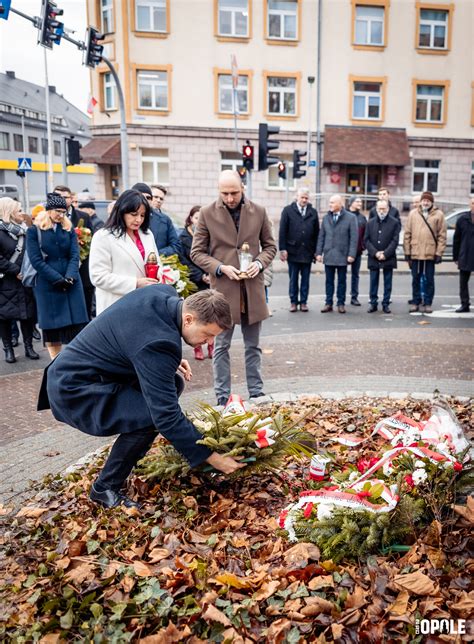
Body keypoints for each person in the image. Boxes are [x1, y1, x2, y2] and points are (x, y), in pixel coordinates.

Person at [38, 287, 244, 508]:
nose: (209, 341)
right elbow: (166, 416)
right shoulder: (159, 344)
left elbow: (134, 335)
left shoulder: (163, 294)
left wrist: (163, 363)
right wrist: (211, 456)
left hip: (87, 372)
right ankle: (104, 487)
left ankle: (132, 451)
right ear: (188, 319)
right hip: (76, 389)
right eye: (208, 334)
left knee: (173, 384)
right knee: (151, 417)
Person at [191, 170, 277, 406]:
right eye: (225, 193)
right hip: (223, 291)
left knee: (253, 346)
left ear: (243, 188)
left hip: (252, 289)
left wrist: (259, 263)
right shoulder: (207, 213)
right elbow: (196, 252)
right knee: (221, 346)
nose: (230, 198)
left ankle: (257, 392)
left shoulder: (258, 211)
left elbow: (270, 246)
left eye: (234, 193)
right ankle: (222, 396)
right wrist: (220, 268)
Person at [26, 193, 89, 359]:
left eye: (64, 211)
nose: (61, 215)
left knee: (77, 328)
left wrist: (70, 277)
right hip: (48, 284)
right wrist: (57, 279)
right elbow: (36, 260)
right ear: (48, 210)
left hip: (72, 283)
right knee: (53, 331)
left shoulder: (68, 229)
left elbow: (74, 255)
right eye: (58, 211)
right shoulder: (34, 231)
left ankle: (76, 364)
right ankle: (56, 363)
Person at [89, 189, 159, 316]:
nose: (138, 219)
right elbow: (98, 276)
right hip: (115, 306)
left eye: (142, 215)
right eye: (134, 214)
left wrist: (160, 277)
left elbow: (156, 263)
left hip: (145, 304)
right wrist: (135, 283)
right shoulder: (103, 236)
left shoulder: (147, 235)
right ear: (121, 211)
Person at [0, 197, 39, 363]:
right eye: (18, 209)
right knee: (4, 317)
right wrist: (15, 271)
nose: (21, 213)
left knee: (28, 315)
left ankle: (29, 348)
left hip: (25, 280)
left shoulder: (25, 230)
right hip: (6, 282)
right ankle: (8, 349)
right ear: (9, 211)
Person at [54, 185, 96, 320]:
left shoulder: (83, 216)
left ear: (71, 199)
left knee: (85, 311)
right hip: (60, 270)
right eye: (57, 197)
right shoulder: (49, 219)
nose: (61, 200)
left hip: (82, 270)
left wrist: (81, 255)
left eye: (65, 197)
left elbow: (91, 241)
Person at [179, 205, 214, 361]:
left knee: (212, 315)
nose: (199, 221)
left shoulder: (211, 234)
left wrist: (210, 273)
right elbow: (184, 261)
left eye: (202, 218)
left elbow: (214, 255)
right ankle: (197, 347)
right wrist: (200, 275)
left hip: (210, 280)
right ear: (190, 219)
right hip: (194, 282)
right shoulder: (184, 237)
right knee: (196, 316)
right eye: (196, 218)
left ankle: (212, 345)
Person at [404, 191, 447, 314]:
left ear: (432, 202)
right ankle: (416, 302)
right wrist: (407, 252)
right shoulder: (413, 214)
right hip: (416, 252)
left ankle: (428, 303)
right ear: (421, 201)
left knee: (429, 280)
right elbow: (407, 234)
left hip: (430, 253)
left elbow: (442, 236)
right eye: (424, 200)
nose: (425, 202)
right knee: (415, 279)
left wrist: (439, 253)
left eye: (428, 200)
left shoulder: (439, 215)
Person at [278, 187, 319, 312]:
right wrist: (282, 249)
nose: (304, 200)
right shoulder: (288, 210)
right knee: (293, 279)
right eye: (302, 197)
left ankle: (304, 302)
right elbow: (282, 231)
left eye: (306, 198)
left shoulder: (313, 212)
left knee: (305, 279)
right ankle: (293, 302)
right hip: (293, 251)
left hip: (307, 251)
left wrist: (317, 251)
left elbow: (317, 233)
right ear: (297, 197)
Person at [316, 194, 357, 314]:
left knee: (341, 281)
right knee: (329, 281)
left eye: (332, 203)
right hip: (329, 254)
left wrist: (351, 254)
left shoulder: (350, 217)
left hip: (343, 254)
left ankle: (341, 303)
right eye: (330, 202)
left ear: (340, 204)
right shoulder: (326, 218)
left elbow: (354, 238)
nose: (330, 205)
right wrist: (318, 253)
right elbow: (321, 236)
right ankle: (328, 303)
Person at [364, 199, 399, 314]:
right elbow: (366, 240)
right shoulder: (370, 222)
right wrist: (375, 253)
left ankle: (386, 304)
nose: (381, 211)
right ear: (376, 209)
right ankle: (373, 304)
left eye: (384, 208)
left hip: (388, 257)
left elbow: (395, 240)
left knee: (387, 282)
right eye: (379, 209)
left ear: (388, 209)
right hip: (374, 257)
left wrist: (385, 253)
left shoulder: (394, 222)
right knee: (373, 281)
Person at [131, 182, 181, 257]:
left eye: (161, 199)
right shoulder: (126, 218)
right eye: (156, 197)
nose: (158, 200)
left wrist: (155, 254)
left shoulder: (165, 220)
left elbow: (176, 246)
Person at [453, 197, 474, 313]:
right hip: (465, 254)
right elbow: (457, 239)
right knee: (463, 282)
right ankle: (464, 304)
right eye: (473, 203)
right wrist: (455, 257)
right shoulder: (462, 219)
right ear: (470, 205)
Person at [347, 196, 367, 306]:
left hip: (358, 251)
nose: (360, 203)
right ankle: (341, 297)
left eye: (361, 201)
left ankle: (354, 297)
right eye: (357, 201)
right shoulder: (344, 215)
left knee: (355, 274)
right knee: (342, 275)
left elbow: (365, 233)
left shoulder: (362, 218)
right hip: (345, 251)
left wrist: (363, 246)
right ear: (351, 203)